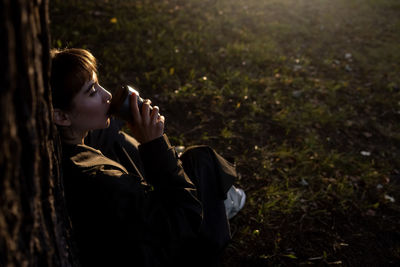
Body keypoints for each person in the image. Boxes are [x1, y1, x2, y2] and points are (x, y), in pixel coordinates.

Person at [50, 48, 245, 266]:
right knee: (201, 161)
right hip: (176, 247)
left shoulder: (60, 143)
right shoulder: (102, 180)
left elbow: (108, 130)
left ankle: (200, 181)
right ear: (60, 115)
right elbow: (184, 217)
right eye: (92, 92)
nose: (108, 96)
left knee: (109, 131)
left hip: (132, 224)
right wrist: (154, 145)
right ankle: (219, 203)